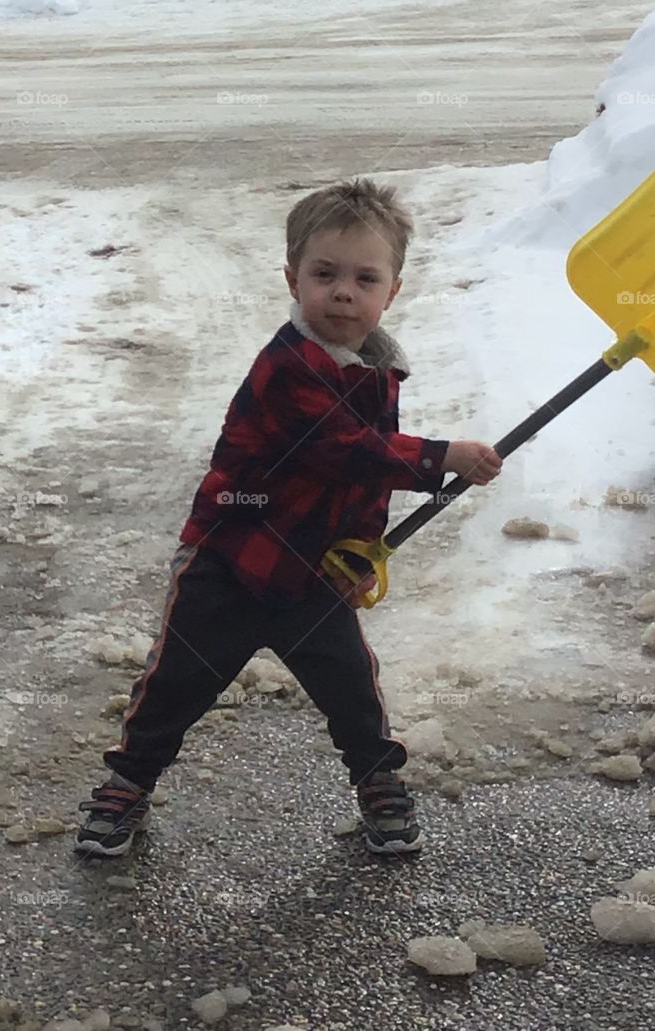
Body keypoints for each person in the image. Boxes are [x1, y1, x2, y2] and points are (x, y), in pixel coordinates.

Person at [74, 177, 502, 857]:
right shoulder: (286, 366)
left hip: (312, 576)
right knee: (174, 686)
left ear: (391, 292)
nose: (343, 291)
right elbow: (342, 451)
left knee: (353, 691)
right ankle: (127, 783)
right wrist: (441, 457)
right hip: (231, 562)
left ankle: (378, 784)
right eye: (324, 273)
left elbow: (360, 486)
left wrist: (362, 550)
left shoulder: (373, 372)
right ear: (292, 279)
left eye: (365, 278)